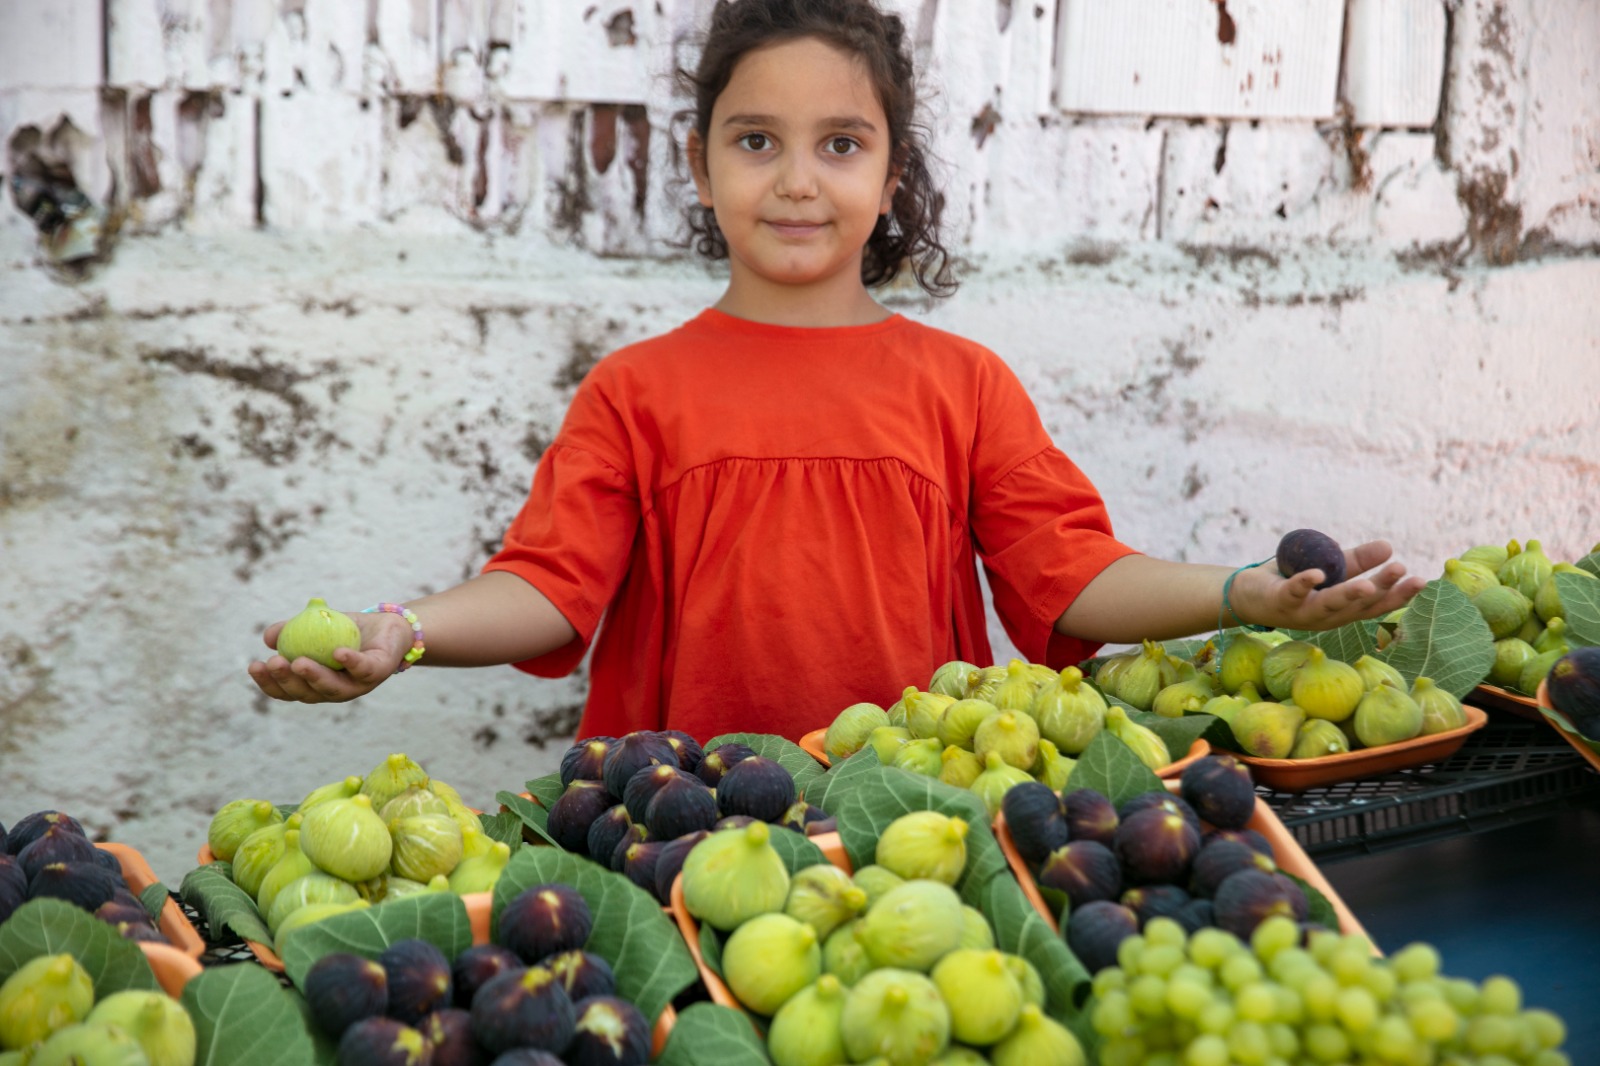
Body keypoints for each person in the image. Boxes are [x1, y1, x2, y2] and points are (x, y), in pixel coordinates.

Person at [249, 0, 1424, 741]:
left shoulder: (959, 382)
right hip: (675, 833)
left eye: (841, 144)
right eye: (755, 141)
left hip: (910, 825)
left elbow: (1067, 578)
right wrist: (395, 631)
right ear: (702, 169)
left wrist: (1240, 593)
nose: (798, 179)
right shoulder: (637, 391)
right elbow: (548, 588)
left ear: (891, 171)